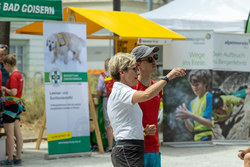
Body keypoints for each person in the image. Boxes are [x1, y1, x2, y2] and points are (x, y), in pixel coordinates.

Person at [107, 52, 185, 167]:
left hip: (132, 148)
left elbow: (126, 125)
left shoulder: (123, 91)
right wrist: (168, 77)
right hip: (127, 150)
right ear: (122, 72)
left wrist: (144, 131)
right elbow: (146, 94)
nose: (137, 72)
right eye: (134, 69)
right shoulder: (120, 91)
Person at [130, 45, 162, 167]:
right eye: (149, 59)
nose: (154, 61)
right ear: (137, 64)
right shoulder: (131, 89)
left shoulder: (157, 87)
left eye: (155, 57)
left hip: (154, 147)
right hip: (137, 148)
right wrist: (143, 131)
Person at [0, 54, 24, 166]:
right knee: (18, 134)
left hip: (11, 107)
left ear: (8, 64)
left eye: (4, 66)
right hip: (17, 106)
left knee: (9, 135)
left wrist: (4, 89)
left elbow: (13, 91)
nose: (4, 68)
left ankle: (9, 160)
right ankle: (18, 158)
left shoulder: (14, 76)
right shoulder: (19, 74)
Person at [176, 70, 213, 141]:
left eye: (197, 85)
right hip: (197, 139)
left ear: (205, 83)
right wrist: (185, 118)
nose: (194, 88)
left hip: (208, 138)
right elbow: (192, 128)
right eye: (192, 85)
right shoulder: (192, 103)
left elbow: (209, 123)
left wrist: (190, 115)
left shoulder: (209, 97)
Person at [96, 58, 114, 152]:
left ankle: (110, 147)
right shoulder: (119, 74)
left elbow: (99, 92)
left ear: (105, 66)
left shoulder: (102, 76)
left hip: (107, 100)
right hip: (118, 99)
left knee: (109, 124)